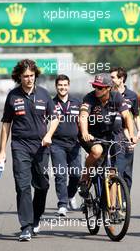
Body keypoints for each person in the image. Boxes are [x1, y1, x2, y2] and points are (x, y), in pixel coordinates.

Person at [0, 59, 59, 242]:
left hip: (41, 146)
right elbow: (6, 125)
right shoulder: (13, 96)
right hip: (20, 146)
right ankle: (25, 226)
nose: (29, 79)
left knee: (43, 185)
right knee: (23, 186)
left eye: (32, 75)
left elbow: (55, 118)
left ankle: (35, 218)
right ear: (19, 77)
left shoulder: (44, 94)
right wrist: (2, 151)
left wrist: (49, 135)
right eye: (26, 76)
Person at [78, 73, 137, 197]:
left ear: (108, 87)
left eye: (100, 87)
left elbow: (127, 116)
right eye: (95, 86)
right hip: (92, 135)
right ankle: (85, 177)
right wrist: (84, 133)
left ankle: (112, 208)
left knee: (113, 172)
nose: (96, 90)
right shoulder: (89, 98)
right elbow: (83, 116)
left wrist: (132, 135)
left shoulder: (117, 97)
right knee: (97, 151)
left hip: (112, 136)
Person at [110, 67, 140, 192]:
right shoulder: (107, 93)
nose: (111, 80)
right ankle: (108, 202)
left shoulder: (132, 95)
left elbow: (136, 115)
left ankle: (124, 202)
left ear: (121, 79)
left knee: (127, 173)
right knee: (113, 170)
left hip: (126, 136)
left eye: (113, 77)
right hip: (110, 135)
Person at [50, 74, 81, 217]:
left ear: (68, 86)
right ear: (56, 86)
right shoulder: (51, 103)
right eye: (60, 85)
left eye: (65, 85)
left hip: (75, 144)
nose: (62, 88)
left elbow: (83, 123)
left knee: (76, 175)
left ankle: (70, 196)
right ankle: (62, 205)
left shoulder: (77, 102)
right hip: (57, 145)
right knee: (60, 175)